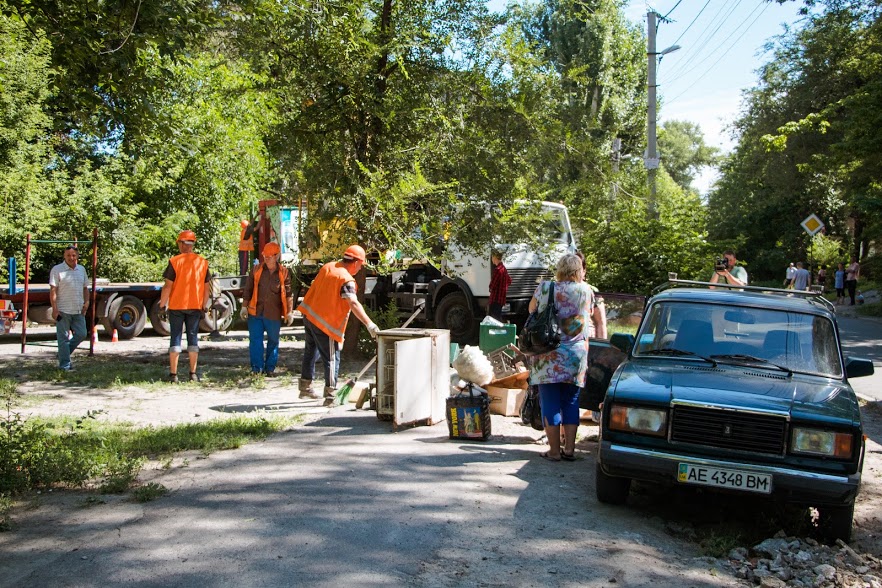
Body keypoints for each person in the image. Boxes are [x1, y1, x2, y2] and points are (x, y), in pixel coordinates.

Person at [528, 253, 593, 462]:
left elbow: (532, 310)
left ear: (560, 269)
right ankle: (570, 450)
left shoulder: (547, 287)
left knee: (550, 401)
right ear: (578, 270)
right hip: (575, 354)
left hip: (548, 353)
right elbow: (584, 318)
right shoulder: (586, 290)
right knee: (571, 401)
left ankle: (554, 451)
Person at [297, 245, 380, 404]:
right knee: (332, 358)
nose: (360, 268)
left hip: (309, 316)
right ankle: (330, 395)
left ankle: (305, 388)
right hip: (324, 323)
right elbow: (353, 304)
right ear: (356, 263)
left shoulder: (329, 267)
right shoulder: (346, 279)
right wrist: (369, 324)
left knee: (310, 352)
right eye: (361, 265)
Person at [159, 230, 212, 383]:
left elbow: (167, 287)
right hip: (195, 306)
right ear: (192, 244)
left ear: (182, 244)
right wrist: (203, 306)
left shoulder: (175, 261)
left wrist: (162, 305)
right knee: (193, 339)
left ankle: (173, 375)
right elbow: (206, 288)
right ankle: (193, 374)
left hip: (176, 306)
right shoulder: (202, 262)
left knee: (175, 338)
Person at [240, 242, 293, 376]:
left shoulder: (284, 272)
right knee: (255, 341)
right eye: (265, 256)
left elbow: (288, 294)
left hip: (273, 314)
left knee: (273, 341)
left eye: (270, 256)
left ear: (277, 256)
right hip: (255, 312)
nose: (267, 258)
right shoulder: (256, 270)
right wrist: (244, 307)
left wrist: (289, 312)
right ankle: (256, 369)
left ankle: (270, 369)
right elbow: (248, 290)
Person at [49, 245, 90, 371]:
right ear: (64, 256)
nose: (71, 258)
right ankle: (65, 365)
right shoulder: (57, 270)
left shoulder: (81, 269)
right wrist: (55, 309)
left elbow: (85, 288)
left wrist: (87, 302)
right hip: (63, 310)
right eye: (68, 255)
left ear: (77, 256)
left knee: (82, 334)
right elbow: (53, 290)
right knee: (63, 338)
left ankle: (63, 354)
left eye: (73, 255)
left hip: (78, 309)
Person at [488, 249, 511, 321]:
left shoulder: (497, 270)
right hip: (501, 299)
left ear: (495, 258)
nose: (492, 259)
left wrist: (490, 287)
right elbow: (509, 281)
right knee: (498, 315)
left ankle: (498, 331)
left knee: (495, 318)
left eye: (492, 257)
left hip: (495, 298)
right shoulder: (504, 269)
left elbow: (492, 285)